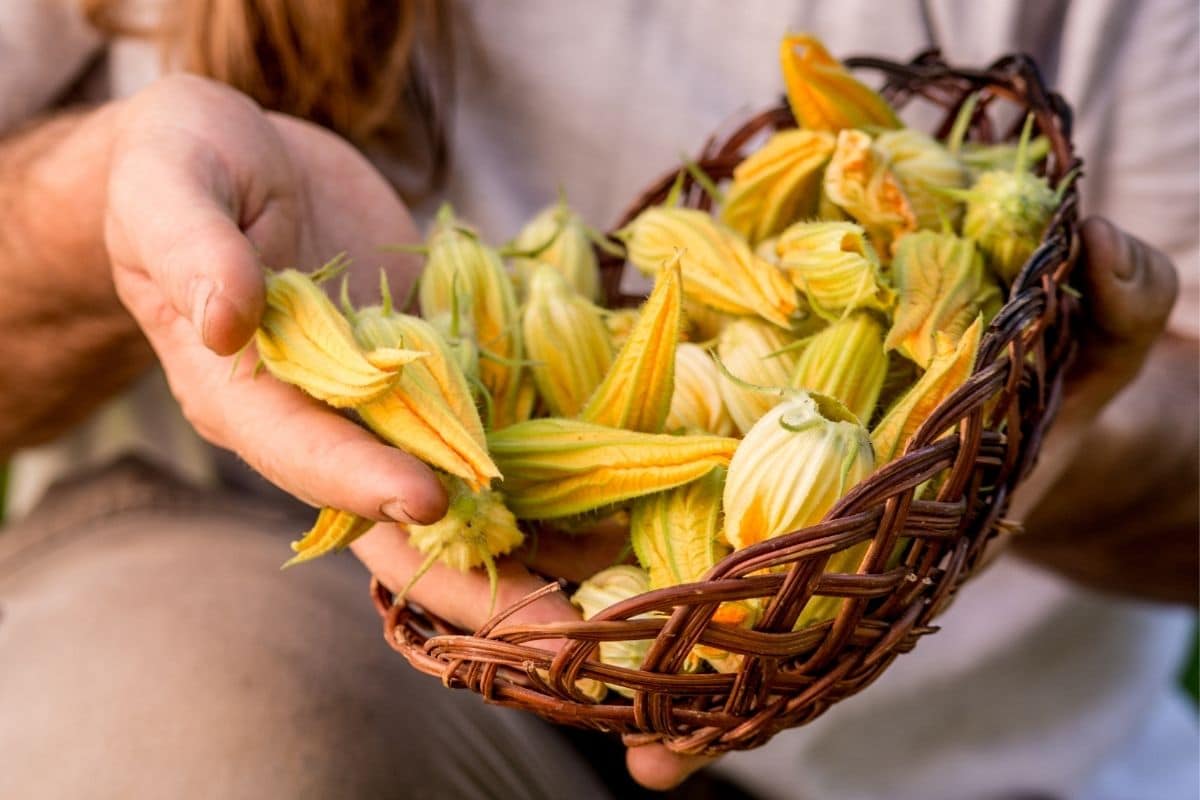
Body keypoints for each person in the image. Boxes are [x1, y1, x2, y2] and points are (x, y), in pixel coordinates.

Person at [0, 1, 1195, 798]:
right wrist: (107, 213)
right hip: (265, 593)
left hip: (962, 764)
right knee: (201, 727)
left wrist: (984, 444)